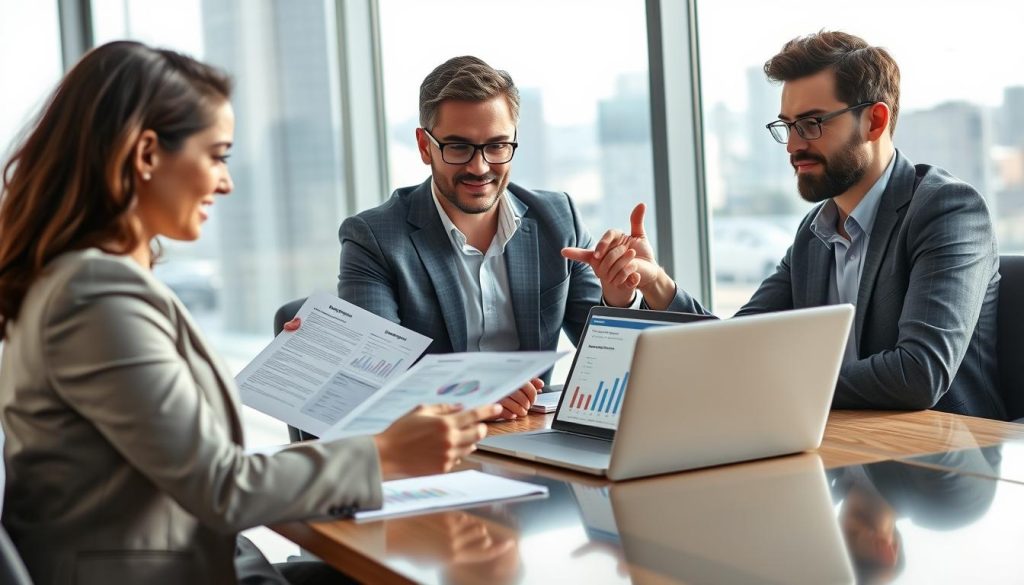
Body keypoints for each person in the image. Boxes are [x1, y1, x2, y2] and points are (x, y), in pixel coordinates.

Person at [0, 41, 499, 585]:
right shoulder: (93, 295)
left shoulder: (85, 281)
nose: (225, 181)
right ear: (146, 155)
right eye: (216, 155)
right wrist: (385, 453)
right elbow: (221, 487)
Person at [564, 31, 1005, 419]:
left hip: (940, 469)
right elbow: (736, 345)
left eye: (812, 124)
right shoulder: (816, 230)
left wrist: (770, 382)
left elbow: (918, 374)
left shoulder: (946, 210)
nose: (793, 145)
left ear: (874, 120)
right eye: (787, 126)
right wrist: (656, 284)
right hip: (840, 451)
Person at [337, 56, 626, 420]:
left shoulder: (557, 218)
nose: (480, 167)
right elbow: (373, 373)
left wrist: (618, 296)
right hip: (428, 449)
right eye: (458, 147)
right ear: (425, 147)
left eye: (497, 145)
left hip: (528, 435)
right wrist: (473, 395)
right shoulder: (374, 238)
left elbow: (610, 359)